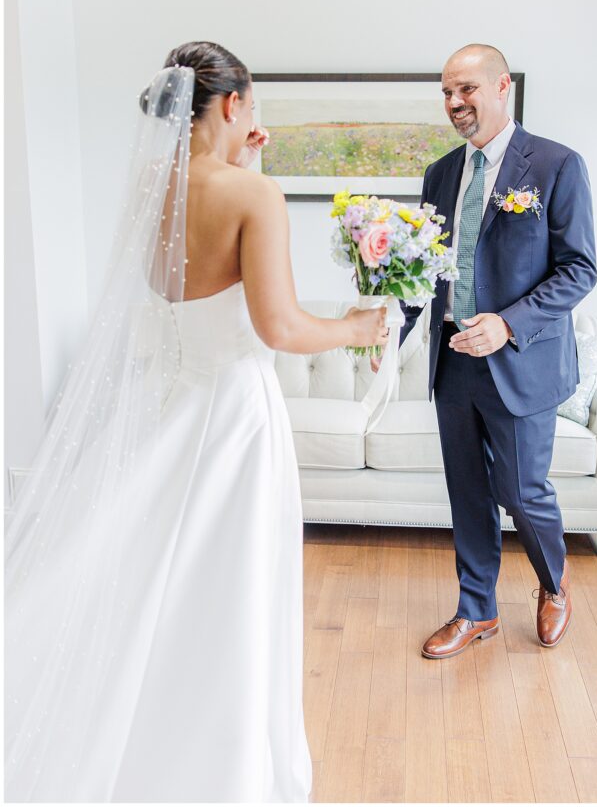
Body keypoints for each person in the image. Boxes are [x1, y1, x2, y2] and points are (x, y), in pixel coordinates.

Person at [5, 41, 388, 802]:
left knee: (154, 575)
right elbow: (277, 327)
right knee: (231, 589)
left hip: (168, 404)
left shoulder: (153, 181)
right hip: (235, 418)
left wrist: (243, 168)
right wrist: (355, 328)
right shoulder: (255, 196)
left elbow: (185, 283)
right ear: (236, 105)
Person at [390, 43, 597, 658]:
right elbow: (419, 270)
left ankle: (553, 584)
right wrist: (384, 334)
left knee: (521, 490)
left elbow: (579, 269)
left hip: (521, 361)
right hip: (452, 360)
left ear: (502, 87)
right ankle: (475, 610)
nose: (454, 103)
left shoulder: (558, 165)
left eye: (467, 90)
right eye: (447, 92)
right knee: (468, 490)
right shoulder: (440, 173)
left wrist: (507, 324)